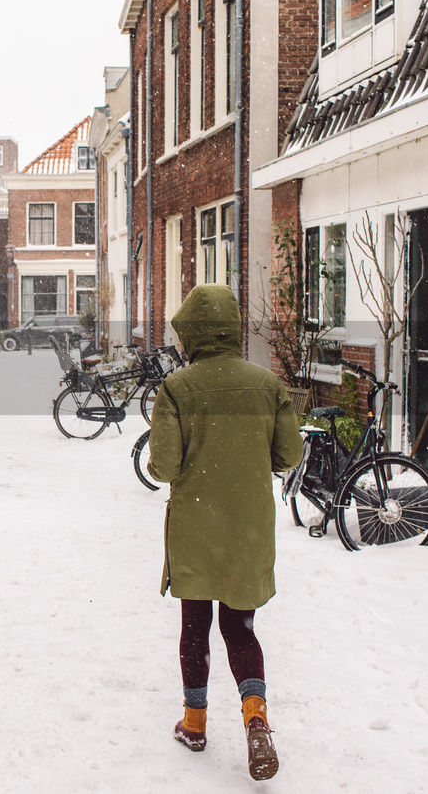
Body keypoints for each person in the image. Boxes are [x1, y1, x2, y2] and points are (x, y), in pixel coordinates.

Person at [146, 284, 303, 781]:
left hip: (196, 524)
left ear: (191, 334)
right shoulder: (267, 385)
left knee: (196, 626)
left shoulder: (177, 388)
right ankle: (255, 718)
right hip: (248, 527)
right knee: (240, 627)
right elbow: (289, 456)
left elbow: (163, 466)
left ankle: (194, 724)